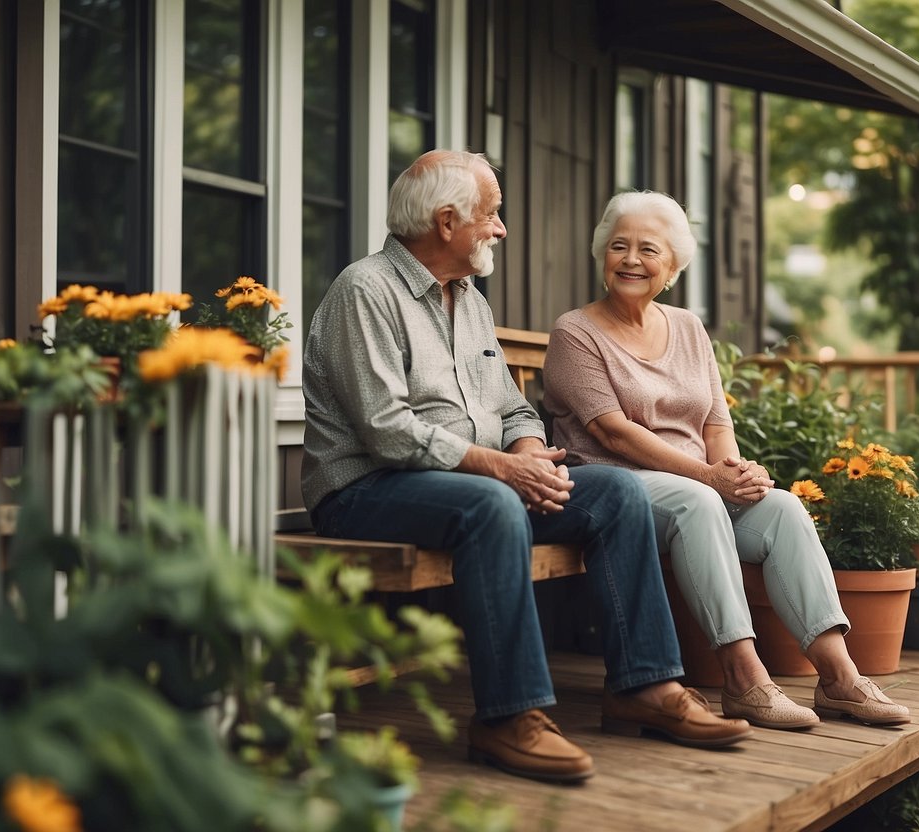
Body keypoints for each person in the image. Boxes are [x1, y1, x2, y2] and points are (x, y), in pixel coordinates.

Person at [300, 152, 751, 785]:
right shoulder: (365, 290)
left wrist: (529, 455)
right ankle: (510, 717)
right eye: (492, 214)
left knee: (617, 492)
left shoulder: (470, 301)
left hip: (473, 481)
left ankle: (643, 686)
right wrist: (499, 472)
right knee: (493, 505)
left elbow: (514, 407)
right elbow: (385, 431)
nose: (501, 228)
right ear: (448, 220)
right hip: (366, 489)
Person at [542, 190, 911, 731]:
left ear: (672, 266)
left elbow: (716, 423)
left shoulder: (689, 329)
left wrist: (735, 474)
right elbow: (612, 432)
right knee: (697, 502)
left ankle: (839, 678)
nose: (631, 260)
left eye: (648, 250)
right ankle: (744, 679)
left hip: (694, 484)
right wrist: (708, 478)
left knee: (782, 507)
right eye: (619, 247)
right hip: (615, 485)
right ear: (602, 257)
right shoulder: (575, 331)